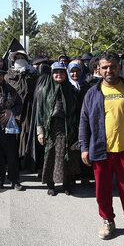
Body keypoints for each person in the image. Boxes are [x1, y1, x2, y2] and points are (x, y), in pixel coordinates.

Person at [79, 51, 124, 241]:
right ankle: (108, 220)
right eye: (105, 67)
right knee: (103, 190)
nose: (109, 70)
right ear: (98, 69)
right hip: (101, 151)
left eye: (113, 66)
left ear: (119, 67)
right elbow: (83, 122)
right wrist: (84, 147)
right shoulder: (92, 93)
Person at [37, 62, 79, 196]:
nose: (59, 75)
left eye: (61, 72)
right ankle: (51, 185)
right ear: (52, 74)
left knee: (67, 158)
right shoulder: (44, 91)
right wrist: (40, 132)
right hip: (51, 129)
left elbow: (77, 111)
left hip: (67, 128)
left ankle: (66, 185)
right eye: (56, 72)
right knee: (50, 156)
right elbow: (40, 113)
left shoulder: (71, 90)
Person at [5, 50, 38, 171]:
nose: (20, 59)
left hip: (29, 109)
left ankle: (28, 161)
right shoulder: (8, 75)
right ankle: (15, 163)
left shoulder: (33, 74)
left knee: (28, 134)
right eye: (17, 57)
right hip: (13, 111)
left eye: (22, 57)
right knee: (14, 137)